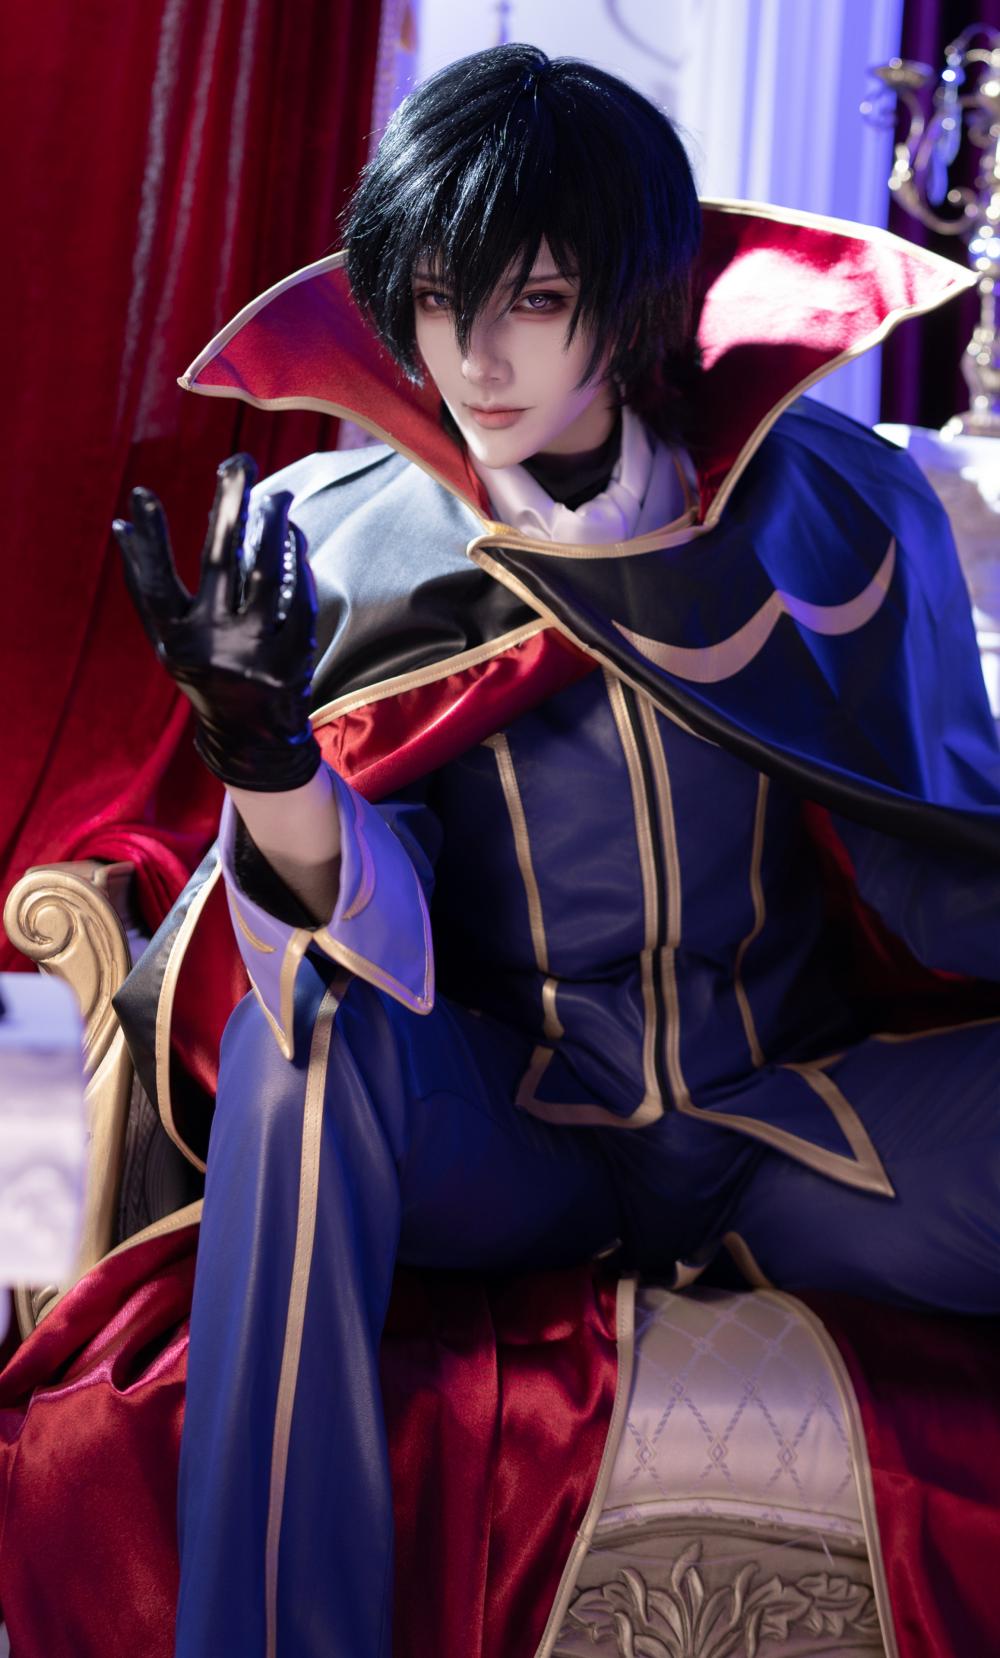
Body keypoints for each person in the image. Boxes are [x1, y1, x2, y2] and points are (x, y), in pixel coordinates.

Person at [112, 43, 1000, 1658]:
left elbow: (942, 866)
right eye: (438, 300)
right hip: (522, 1141)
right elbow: (359, 933)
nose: (475, 355)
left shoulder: (841, 513)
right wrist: (267, 757)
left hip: (802, 1132)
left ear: (635, 298)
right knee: (306, 1051)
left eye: (531, 298)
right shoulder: (336, 546)